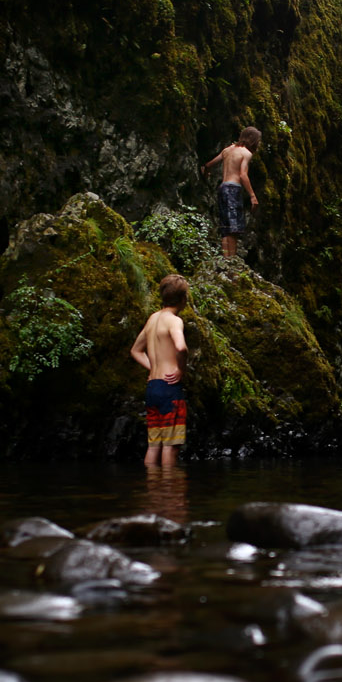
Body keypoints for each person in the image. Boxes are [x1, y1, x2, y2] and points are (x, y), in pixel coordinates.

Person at [131, 273, 190, 466]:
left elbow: (136, 350)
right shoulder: (174, 321)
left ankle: (154, 491)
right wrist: (180, 369)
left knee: (154, 445)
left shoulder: (153, 319)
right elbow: (181, 347)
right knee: (170, 446)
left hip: (153, 387)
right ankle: (169, 491)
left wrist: (154, 368)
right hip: (169, 389)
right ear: (183, 299)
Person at [201, 126, 261, 257]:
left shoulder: (227, 150)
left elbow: (207, 165)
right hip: (233, 189)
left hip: (222, 188)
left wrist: (206, 175)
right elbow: (243, 175)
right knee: (233, 227)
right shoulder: (246, 153)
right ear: (253, 140)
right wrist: (252, 196)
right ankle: (232, 260)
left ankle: (226, 259)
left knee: (225, 226)